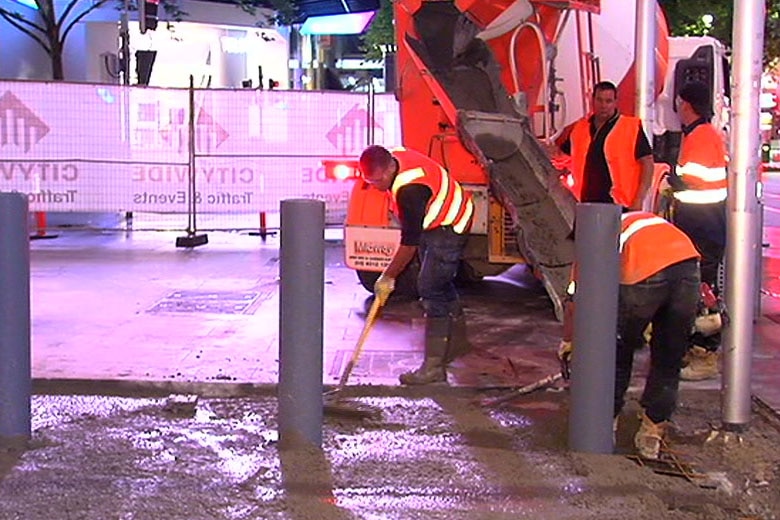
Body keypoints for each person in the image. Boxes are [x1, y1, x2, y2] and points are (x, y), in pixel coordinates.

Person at [559, 212, 700, 459]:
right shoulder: (641, 220)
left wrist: (568, 341)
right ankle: (652, 431)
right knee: (669, 356)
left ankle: (604, 423)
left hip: (646, 276)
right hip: (687, 268)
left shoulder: (594, 235)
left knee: (615, 350)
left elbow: (575, 300)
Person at [358, 145, 474, 385]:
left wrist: (387, 277)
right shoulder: (394, 156)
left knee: (430, 287)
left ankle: (433, 368)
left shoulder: (410, 190)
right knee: (439, 282)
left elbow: (408, 245)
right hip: (433, 220)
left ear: (390, 167)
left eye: (379, 180)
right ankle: (457, 344)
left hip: (452, 223)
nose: (377, 186)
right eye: (370, 181)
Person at [668, 80, 728, 381]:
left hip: (702, 225)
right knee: (698, 293)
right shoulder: (702, 134)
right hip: (702, 224)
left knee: (704, 295)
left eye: (679, 103)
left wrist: (675, 180)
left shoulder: (701, 136)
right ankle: (698, 350)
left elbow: (696, 178)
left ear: (685, 104)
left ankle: (706, 355)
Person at [553, 81, 655, 210]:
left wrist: (639, 198)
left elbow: (648, 163)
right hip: (585, 203)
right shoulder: (580, 128)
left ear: (615, 102)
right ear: (593, 100)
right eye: (599, 100)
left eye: (608, 101)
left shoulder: (630, 127)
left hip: (619, 204)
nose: (603, 106)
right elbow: (561, 156)